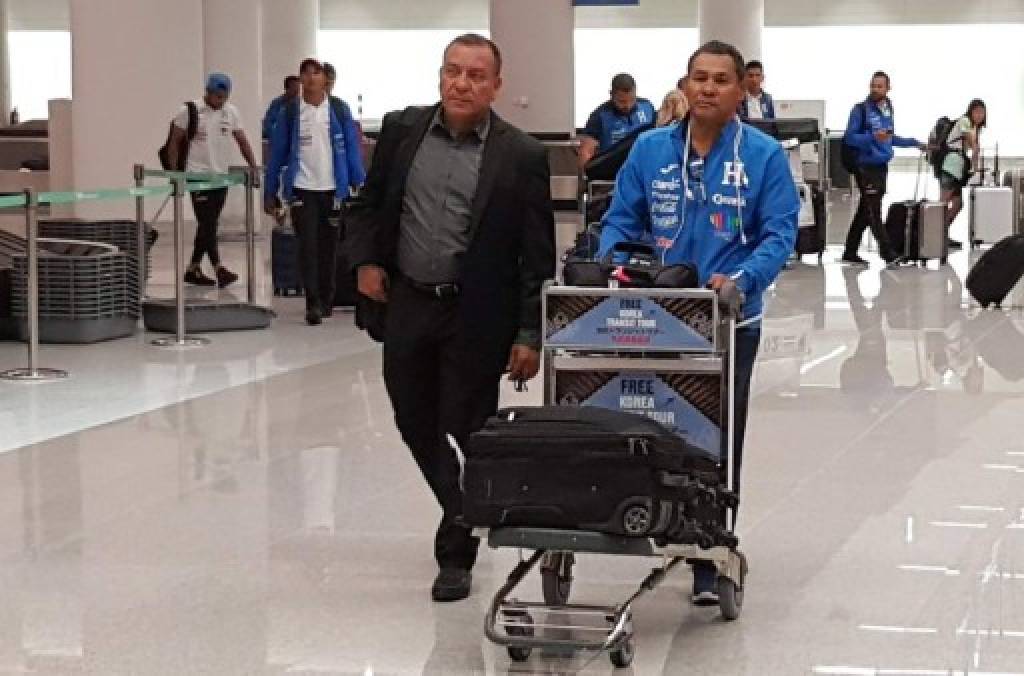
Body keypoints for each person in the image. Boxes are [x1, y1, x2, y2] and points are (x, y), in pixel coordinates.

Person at [341, 34, 556, 602]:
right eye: (453, 72)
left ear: (496, 86)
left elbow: (536, 255)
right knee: (412, 415)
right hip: (409, 300)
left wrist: (530, 332)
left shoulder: (522, 155)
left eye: (476, 75)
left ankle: (455, 552)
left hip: (477, 312)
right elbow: (367, 204)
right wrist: (364, 261)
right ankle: (468, 506)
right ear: (440, 77)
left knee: (466, 427)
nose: (463, 83)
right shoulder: (401, 132)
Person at [599, 40, 798, 605]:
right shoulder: (651, 150)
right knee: (651, 427)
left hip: (728, 322)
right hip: (653, 318)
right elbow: (621, 218)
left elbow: (779, 233)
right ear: (684, 86)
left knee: (715, 436)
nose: (707, 88)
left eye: (720, 80)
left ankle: (710, 548)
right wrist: (613, 262)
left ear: (740, 91)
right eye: (698, 78)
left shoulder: (761, 156)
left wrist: (743, 279)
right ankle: (656, 522)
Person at [264, 58, 367, 325]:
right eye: (306, 74)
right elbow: (277, 154)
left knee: (329, 246)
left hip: (332, 189)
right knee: (307, 246)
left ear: (325, 80)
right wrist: (270, 190)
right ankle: (312, 302)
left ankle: (327, 297)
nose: (310, 78)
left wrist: (359, 182)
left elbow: (353, 151)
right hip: (301, 189)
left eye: (316, 73)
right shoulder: (290, 113)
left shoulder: (339, 110)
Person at [165, 72, 258, 289]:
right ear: (207, 92)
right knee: (208, 223)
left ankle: (193, 268)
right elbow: (174, 142)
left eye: (223, 96)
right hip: (197, 176)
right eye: (216, 95)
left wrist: (253, 165)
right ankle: (219, 268)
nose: (220, 100)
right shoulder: (189, 111)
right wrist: (174, 173)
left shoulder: (231, 113)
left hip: (221, 177)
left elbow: (242, 141)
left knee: (208, 223)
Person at [840, 71, 925, 267]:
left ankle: (850, 251)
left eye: (880, 86)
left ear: (888, 88)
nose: (876, 89)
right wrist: (872, 138)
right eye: (873, 85)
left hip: (881, 166)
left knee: (866, 210)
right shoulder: (860, 110)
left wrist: (913, 143)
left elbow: (889, 137)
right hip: (866, 166)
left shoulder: (888, 109)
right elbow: (850, 138)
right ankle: (888, 253)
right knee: (874, 211)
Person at [937, 99, 986, 250]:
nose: (979, 115)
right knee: (943, 203)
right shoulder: (965, 121)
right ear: (970, 111)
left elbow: (975, 150)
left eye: (982, 112)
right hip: (950, 165)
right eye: (976, 111)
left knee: (958, 204)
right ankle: (933, 235)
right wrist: (975, 148)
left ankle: (941, 234)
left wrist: (975, 170)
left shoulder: (976, 128)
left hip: (958, 168)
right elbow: (972, 143)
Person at [579, 73, 656, 168]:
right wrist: (584, 178)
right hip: (613, 169)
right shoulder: (599, 115)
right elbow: (586, 151)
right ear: (611, 95)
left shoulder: (647, 107)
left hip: (644, 166)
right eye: (622, 101)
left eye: (632, 100)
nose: (627, 106)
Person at [262, 75, 300, 140]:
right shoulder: (277, 103)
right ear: (286, 88)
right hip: (279, 141)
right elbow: (268, 123)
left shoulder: (301, 104)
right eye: (294, 87)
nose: (297, 90)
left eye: (298, 87)